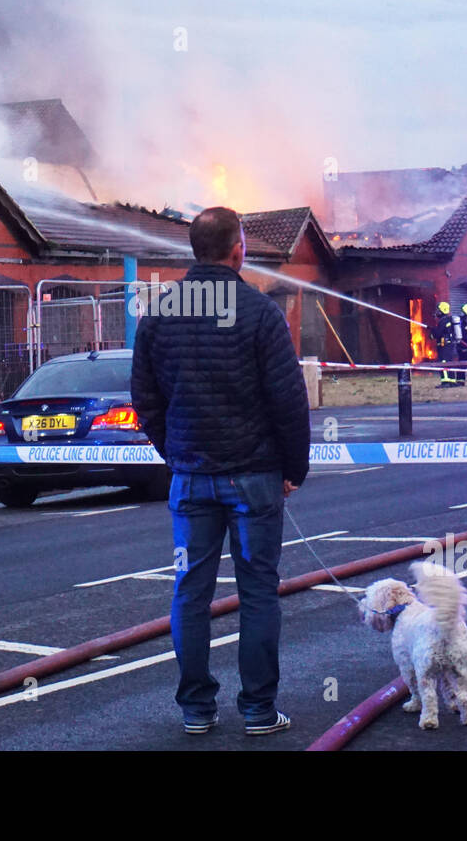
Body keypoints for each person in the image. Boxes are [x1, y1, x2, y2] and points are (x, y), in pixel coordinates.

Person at [131, 206, 311, 737]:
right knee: (258, 590)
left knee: (190, 591)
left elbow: (145, 398)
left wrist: (176, 451)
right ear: (238, 250)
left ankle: (195, 709)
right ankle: (258, 710)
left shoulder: (158, 314)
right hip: (254, 478)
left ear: (194, 251)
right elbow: (288, 401)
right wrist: (292, 468)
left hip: (191, 479)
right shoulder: (259, 313)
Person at [433, 301, 460, 386]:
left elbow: (438, 333)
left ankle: (445, 381)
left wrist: (432, 332)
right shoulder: (448, 320)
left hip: (444, 345)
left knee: (443, 362)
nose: (437, 312)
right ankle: (452, 381)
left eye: (438, 310)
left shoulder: (443, 321)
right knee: (449, 362)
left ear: (442, 311)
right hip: (449, 345)